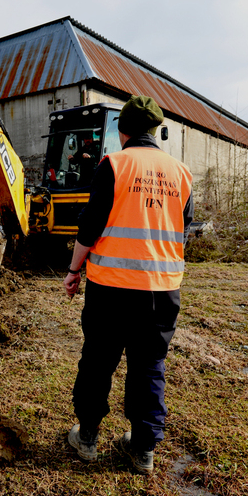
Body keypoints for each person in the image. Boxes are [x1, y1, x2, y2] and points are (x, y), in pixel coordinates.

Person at [63, 95, 193, 474]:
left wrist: (74, 271)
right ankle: (143, 449)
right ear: (155, 130)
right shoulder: (181, 173)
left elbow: (90, 226)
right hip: (162, 290)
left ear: (122, 131)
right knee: (149, 365)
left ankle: (87, 437)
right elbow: (182, 228)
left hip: (110, 288)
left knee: (98, 360)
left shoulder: (114, 164)